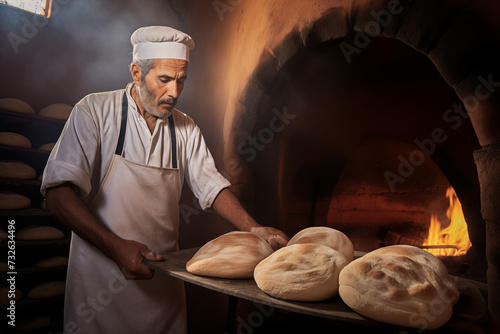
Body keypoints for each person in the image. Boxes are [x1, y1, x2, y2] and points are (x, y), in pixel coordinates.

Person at [41, 26, 288, 334]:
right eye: (164, 79)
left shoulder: (185, 127)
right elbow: (57, 193)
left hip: (163, 294)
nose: (174, 91)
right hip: (99, 291)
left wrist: (253, 227)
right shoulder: (94, 112)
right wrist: (116, 247)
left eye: (181, 80)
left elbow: (211, 187)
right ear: (135, 72)